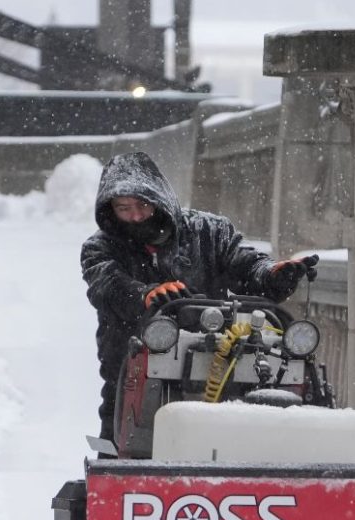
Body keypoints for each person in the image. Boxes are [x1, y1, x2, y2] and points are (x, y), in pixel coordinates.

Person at [80, 152, 319, 446]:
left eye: (143, 205)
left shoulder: (209, 231)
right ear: (110, 210)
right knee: (126, 444)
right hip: (132, 372)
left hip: (217, 361)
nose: (136, 216)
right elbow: (106, 283)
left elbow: (246, 263)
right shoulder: (99, 247)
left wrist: (272, 275)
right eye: (124, 208)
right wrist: (144, 295)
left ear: (160, 198)